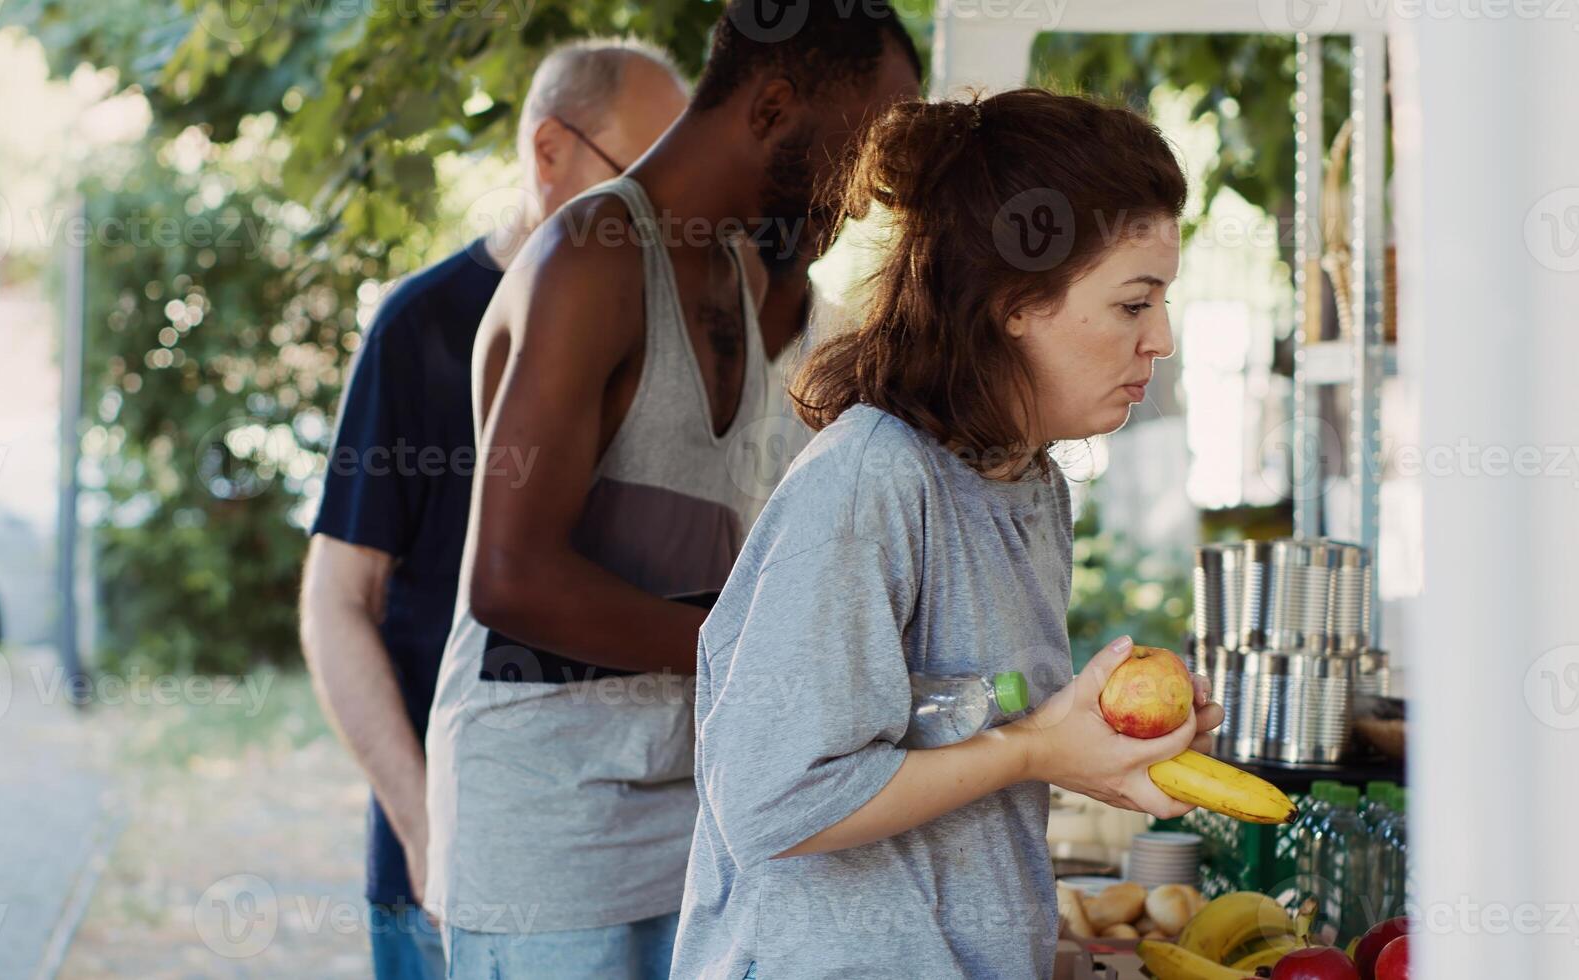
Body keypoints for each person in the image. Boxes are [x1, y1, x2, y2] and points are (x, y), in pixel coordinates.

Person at [670, 89, 1227, 979]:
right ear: (1014, 300)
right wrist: (1039, 748)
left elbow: (967, 747)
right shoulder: (869, 482)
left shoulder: (1028, 482)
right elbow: (775, 801)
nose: (1160, 338)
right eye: (1133, 304)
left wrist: (1077, 748)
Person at [422, 4, 922, 977]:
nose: (867, 198)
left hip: (694, 822)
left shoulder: (740, 272)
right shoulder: (592, 257)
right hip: (554, 850)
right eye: (864, 152)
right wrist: (773, 655)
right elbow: (511, 578)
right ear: (774, 106)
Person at [298, 39, 688, 980]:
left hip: (642, 860)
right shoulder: (422, 325)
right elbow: (336, 601)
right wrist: (423, 820)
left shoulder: (684, 328)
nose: (669, 213)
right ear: (549, 153)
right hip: (455, 852)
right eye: (640, 176)